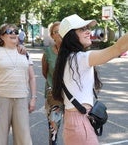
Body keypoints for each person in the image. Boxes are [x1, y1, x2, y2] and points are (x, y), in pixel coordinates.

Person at [52, 14, 128, 145]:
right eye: (82, 29)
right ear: (71, 36)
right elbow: (118, 48)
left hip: (74, 122)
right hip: (80, 123)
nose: (88, 31)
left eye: (87, 27)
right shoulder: (80, 58)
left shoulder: (67, 58)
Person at [0, 23, 37, 145]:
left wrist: (33, 98)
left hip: (21, 99)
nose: (14, 34)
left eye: (16, 32)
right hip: (0, 99)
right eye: (9, 31)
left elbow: (32, 78)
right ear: (2, 37)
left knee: (23, 138)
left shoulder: (25, 53)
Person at [42, 22, 63, 145]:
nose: (59, 34)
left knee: (73, 127)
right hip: (54, 95)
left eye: (62, 31)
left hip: (71, 95)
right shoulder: (48, 52)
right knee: (54, 127)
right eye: (56, 32)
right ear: (52, 35)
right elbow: (45, 73)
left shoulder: (71, 51)